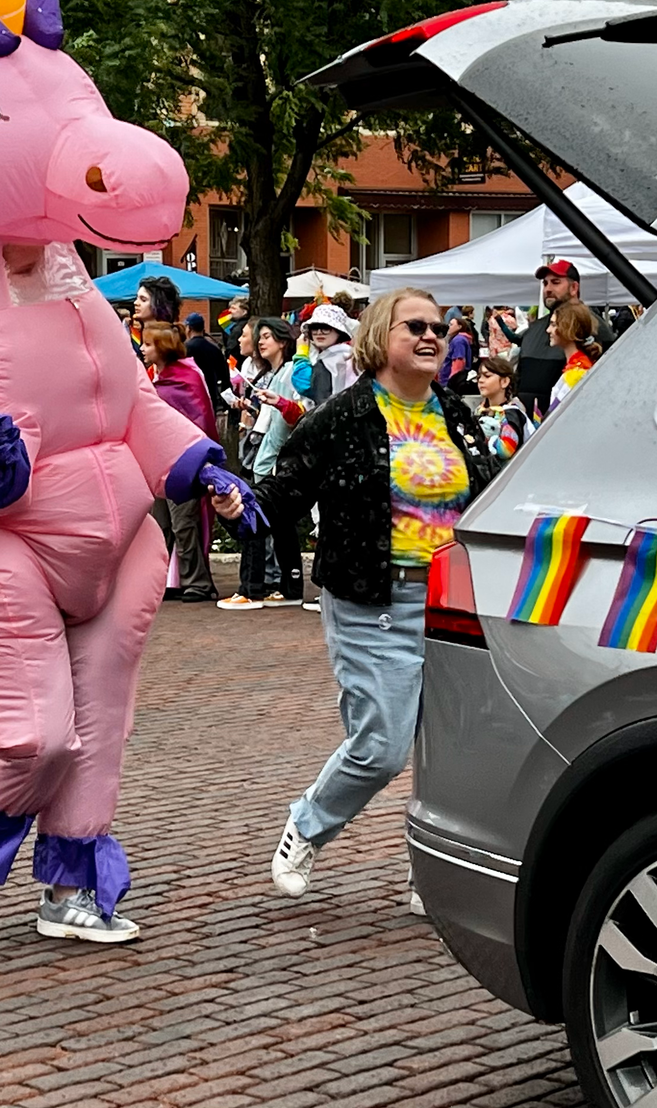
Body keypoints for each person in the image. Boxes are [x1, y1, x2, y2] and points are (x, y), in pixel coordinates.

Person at [213, 287, 497, 901]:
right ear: (378, 339)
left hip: (452, 608)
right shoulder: (344, 415)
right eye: (413, 326)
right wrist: (239, 507)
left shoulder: (455, 411)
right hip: (375, 605)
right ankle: (306, 825)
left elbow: (491, 498)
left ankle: (433, 874)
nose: (430, 336)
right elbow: (282, 494)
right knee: (382, 747)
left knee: (452, 749)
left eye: (437, 327)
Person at [220, 316, 307, 610]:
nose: (261, 341)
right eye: (260, 336)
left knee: (266, 521)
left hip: (279, 460)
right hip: (268, 456)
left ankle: (259, 587)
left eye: (267, 336)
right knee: (280, 526)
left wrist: (278, 405)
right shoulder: (273, 373)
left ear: (283, 340)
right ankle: (286, 587)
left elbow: (298, 415)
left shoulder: (292, 372)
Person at [144, 323, 220, 603]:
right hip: (157, 462)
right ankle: (167, 579)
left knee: (184, 523)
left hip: (182, 463)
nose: (143, 349)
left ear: (162, 346)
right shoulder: (154, 377)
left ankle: (197, 582)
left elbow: (198, 420)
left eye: (148, 344)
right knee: (159, 524)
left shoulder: (186, 376)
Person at [513, 261, 616, 413]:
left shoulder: (594, 327)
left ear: (574, 288)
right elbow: (520, 375)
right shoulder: (534, 328)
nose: (548, 289)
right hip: (530, 422)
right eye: (545, 283)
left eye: (555, 282)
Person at [545, 300, 603, 414]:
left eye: (553, 325)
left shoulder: (577, 372)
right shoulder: (576, 367)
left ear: (567, 328)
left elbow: (555, 415)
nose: (548, 330)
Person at [474, 356, 531, 459]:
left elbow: (506, 451)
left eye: (487, 376)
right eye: (479, 377)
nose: (481, 381)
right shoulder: (479, 411)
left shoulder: (511, 414)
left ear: (504, 382)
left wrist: (489, 440)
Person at [301, 303, 358, 406]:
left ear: (338, 332)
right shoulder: (349, 355)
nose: (319, 332)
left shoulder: (330, 361)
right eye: (315, 328)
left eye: (325, 328)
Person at [182, 312, 228, 410]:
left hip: (192, 396)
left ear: (188, 328)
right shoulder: (215, 348)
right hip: (211, 395)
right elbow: (224, 375)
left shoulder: (185, 348)